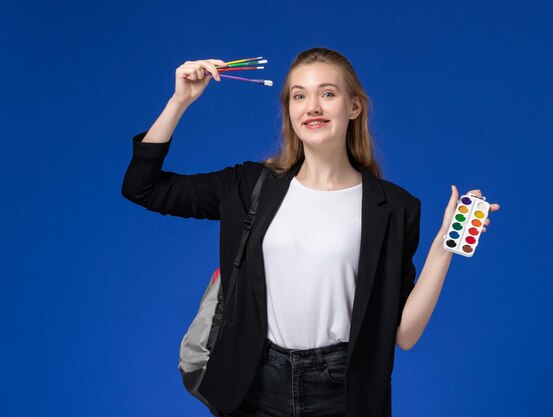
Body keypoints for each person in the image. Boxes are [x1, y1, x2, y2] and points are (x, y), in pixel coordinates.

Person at [122, 47, 500, 417]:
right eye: (299, 96)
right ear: (289, 110)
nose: (312, 107)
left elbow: (404, 334)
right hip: (253, 381)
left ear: (354, 107)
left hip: (341, 388)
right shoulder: (249, 185)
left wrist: (443, 249)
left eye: (328, 93)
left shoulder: (395, 208)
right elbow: (144, 187)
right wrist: (180, 100)